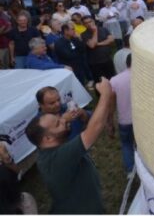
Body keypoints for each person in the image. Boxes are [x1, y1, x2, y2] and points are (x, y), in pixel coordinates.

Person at [25, 78, 112, 214]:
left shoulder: (53, 143)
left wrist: (83, 115)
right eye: (58, 123)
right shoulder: (57, 158)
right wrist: (106, 94)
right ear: (47, 138)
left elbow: (89, 120)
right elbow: (95, 127)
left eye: (60, 118)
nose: (63, 120)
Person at [110, 54, 134, 174]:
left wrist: (110, 123)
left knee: (127, 145)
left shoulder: (115, 80)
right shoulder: (146, 79)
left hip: (124, 121)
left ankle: (130, 171)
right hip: (142, 121)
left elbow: (110, 104)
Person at [81, 16, 116, 81]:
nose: (89, 24)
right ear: (84, 25)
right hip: (95, 63)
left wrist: (98, 44)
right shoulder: (84, 35)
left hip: (107, 59)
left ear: (93, 21)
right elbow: (92, 45)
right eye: (86, 23)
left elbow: (111, 40)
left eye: (90, 21)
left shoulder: (104, 29)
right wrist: (95, 31)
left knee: (112, 79)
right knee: (100, 82)